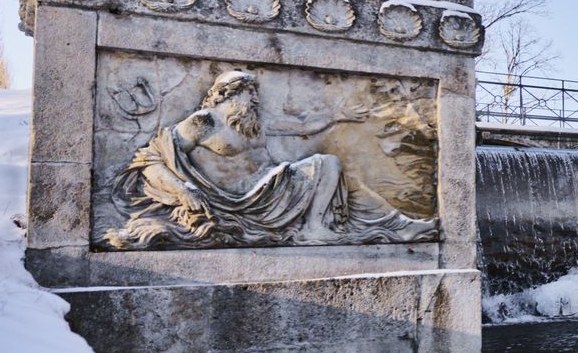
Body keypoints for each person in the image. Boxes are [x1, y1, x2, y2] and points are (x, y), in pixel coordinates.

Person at [102, 70, 437, 250]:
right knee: (328, 166)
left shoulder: (251, 123)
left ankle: (402, 225)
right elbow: (151, 159)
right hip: (238, 199)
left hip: (270, 185)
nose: (253, 101)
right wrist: (182, 189)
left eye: (254, 96)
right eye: (248, 95)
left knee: (342, 181)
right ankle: (314, 228)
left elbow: (300, 127)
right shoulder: (204, 121)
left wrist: (340, 115)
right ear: (226, 95)